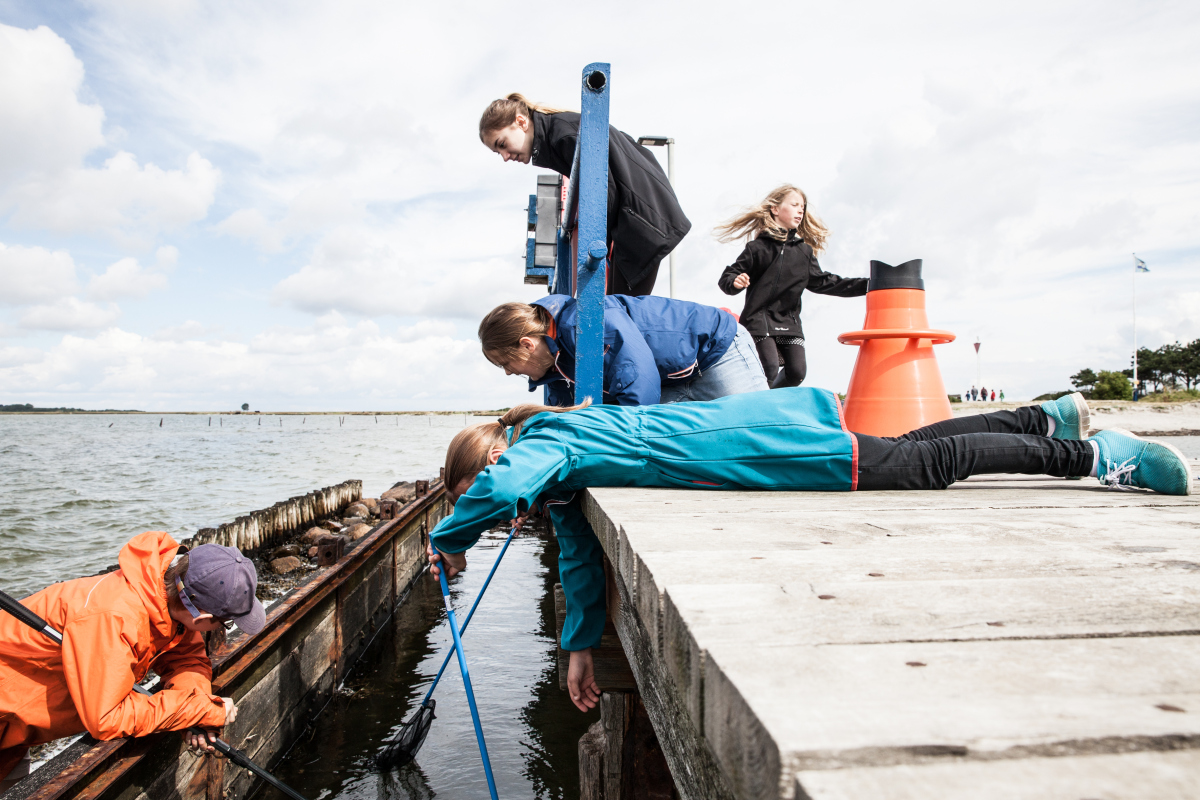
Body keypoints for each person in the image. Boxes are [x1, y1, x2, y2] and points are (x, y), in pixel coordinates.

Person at [426, 390, 1191, 712]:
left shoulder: (541, 445)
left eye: (480, 499)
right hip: (758, 440)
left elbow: (499, 490)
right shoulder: (557, 472)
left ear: (491, 462)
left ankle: (1093, 457)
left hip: (767, 452)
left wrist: (447, 539)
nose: (499, 520)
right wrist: (580, 648)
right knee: (901, 450)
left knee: (923, 469)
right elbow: (581, 562)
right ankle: (1041, 418)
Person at [0, 532, 267, 789]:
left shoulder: (164, 596)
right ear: (202, 619)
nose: (223, 627)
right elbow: (107, 717)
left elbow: (186, 659)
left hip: (16, 730)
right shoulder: (114, 618)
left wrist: (195, 709)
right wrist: (194, 709)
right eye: (226, 622)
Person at [479, 93, 690, 297]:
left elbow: (603, 189)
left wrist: (596, 249)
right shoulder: (559, 131)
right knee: (618, 312)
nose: (505, 157)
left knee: (619, 314)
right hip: (637, 215)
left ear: (521, 122)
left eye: (502, 144)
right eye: (498, 152)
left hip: (643, 219)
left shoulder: (564, 135)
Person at [478, 294, 767, 406]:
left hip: (717, 351)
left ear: (527, 345)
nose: (507, 372)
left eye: (505, 362)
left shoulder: (584, 322)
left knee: (759, 434)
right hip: (674, 378)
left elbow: (639, 381)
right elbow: (567, 418)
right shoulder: (556, 366)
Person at [716, 185, 866, 389]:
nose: (800, 211)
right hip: (758, 320)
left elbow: (824, 282)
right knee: (768, 368)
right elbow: (728, 277)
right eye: (795, 205)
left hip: (789, 322)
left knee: (797, 373)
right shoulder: (757, 248)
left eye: (802, 207)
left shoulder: (804, 252)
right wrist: (735, 281)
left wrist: (868, 285)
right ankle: (757, 407)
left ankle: (771, 401)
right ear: (775, 209)